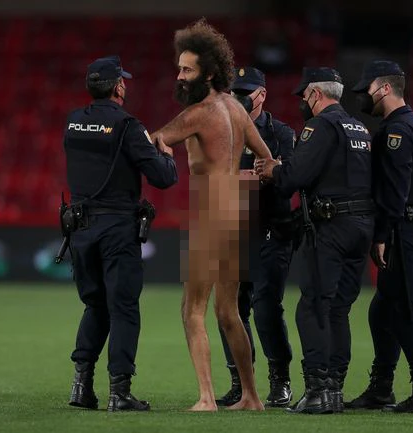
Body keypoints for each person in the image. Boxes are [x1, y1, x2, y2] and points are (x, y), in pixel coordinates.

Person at [150, 19, 272, 412]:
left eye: (187, 70)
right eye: (179, 68)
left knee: (193, 310)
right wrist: (249, 177)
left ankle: (206, 397)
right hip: (239, 206)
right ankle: (251, 396)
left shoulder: (200, 112)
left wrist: (159, 149)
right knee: (229, 311)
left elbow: (155, 139)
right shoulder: (237, 108)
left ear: (208, 73)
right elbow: (268, 159)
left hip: (211, 208)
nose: (180, 76)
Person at [256, 67, 375, 414]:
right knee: (338, 310)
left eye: (303, 95)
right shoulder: (359, 128)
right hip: (362, 225)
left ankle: (318, 389)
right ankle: (334, 389)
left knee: (313, 307)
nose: (302, 102)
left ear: (316, 94)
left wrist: (273, 170)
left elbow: (296, 176)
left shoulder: (321, 126)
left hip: (331, 226)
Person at [63, 55, 178, 412]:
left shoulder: (73, 122)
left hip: (80, 228)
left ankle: (81, 386)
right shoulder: (128, 125)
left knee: (95, 304)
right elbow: (163, 177)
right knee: (123, 307)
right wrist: (167, 155)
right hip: (116, 228)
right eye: (122, 80)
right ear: (118, 86)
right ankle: (119, 391)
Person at [347, 60, 413, 413]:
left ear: (385, 88)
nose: (363, 95)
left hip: (404, 226)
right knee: (382, 309)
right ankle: (382, 387)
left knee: (406, 308)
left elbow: (396, 190)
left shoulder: (396, 131)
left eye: (367, 89)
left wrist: (382, 233)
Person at [215, 67, 295, 408]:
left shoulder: (281, 134)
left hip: (271, 231)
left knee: (266, 307)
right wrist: (253, 176)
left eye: (244, 92)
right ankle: (240, 382)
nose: (237, 98)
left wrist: (262, 176)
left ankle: (280, 380)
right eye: (233, 92)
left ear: (261, 94)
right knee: (229, 309)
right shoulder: (222, 129)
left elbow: (289, 180)